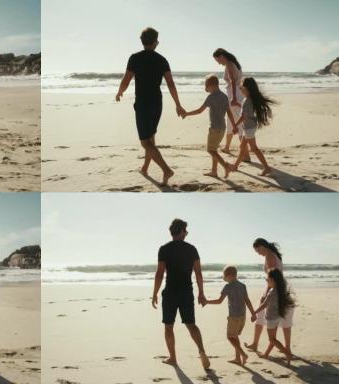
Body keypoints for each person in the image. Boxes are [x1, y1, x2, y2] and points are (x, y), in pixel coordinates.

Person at [115, 27, 186, 185]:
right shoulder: (162, 60)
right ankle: (145, 168)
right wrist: (178, 105)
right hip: (157, 103)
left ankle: (167, 170)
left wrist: (119, 92)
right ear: (155, 42)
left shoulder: (135, 58)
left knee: (145, 142)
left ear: (142, 41)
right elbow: (171, 85)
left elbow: (126, 79)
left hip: (143, 104)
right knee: (151, 137)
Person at [151, 219, 211, 370]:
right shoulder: (192, 249)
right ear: (182, 231)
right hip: (186, 292)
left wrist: (154, 294)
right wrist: (201, 293)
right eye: (186, 231)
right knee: (191, 325)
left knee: (168, 326)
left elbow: (159, 274)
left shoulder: (164, 249)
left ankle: (173, 358)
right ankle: (202, 352)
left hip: (170, 292)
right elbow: (198, 273)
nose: (187, 234)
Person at [182, 74, 238, 178]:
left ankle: (226, 166)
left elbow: (199, 111)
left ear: (211, 85)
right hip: (222, 128)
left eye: (206, 85)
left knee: (210, 150)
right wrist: (234, 125)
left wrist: (186, 114)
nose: (205, 88)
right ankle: (214, 171)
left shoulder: (211, 97)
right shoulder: (224, 96)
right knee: (214, 150)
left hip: (214, 129)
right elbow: (229, 112)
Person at [244, 239, 293, 355]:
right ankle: (287, 348)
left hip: (275, 288)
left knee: (261, 315)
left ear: (262, 246)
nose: (258, 254)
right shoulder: (274, 254)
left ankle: (257, 344)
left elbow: (272, 278)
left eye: (258, 250)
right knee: (285, 320)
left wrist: (266, 294)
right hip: (280, 288)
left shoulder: (270, 256)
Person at [203, 266, 256, 365]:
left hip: (233, 317)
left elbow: (219, 301)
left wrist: (206, 302)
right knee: (235, 336)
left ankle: (243, 354)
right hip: (242, 316)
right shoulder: (242, 286)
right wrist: (253, 314)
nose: (224, 278)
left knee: (230, 337)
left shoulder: (228, 287)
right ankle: (237, 358)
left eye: (224, 276)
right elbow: (247, 301)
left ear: (229, 276)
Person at [230, 78, 275, 176]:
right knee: (242, 147)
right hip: (250, 127)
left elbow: (243, 116)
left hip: (249, 128)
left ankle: (266, 168)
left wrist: (235, 125)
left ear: (248, 89)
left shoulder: (247, 101)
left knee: (254, 148)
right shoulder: (249, 99)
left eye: (242, 88)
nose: (240, 89)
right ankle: (235, 165)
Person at [251, 268, 295, 364]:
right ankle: (266, 354)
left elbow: (264, 304)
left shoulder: (271, 292)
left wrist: (255, 312)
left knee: (272, 339)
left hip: (271, 319)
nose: (266, 280)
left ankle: (287, 353)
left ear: (273, 280)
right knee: (273, 338)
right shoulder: (280, 291)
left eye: (268, 279)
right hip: (277, 317)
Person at [213, 48, 246, 157]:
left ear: (221, 56)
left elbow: (232, 81)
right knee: (231, 121)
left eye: (218, 60)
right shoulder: (234, 63)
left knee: (238, 122)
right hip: (237, 93)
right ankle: (227, 147)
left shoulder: (229, 65)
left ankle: (245, 153)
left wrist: (234, 98)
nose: (218, 63)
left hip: (234, 95)